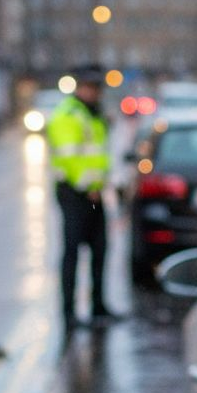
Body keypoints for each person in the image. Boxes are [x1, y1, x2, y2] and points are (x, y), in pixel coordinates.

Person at [45, 63, 118, 329]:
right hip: (75, 193)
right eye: (90, 87)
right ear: (80, 87)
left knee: (100, 250)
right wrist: (90, 186)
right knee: (72, 253)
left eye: (97, 88)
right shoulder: (68, 115)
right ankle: (69, 314)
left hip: (94, 194)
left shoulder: (93, 115)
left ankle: (99, 307)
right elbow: (69, 158)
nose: (94, 92)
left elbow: (98, 154)